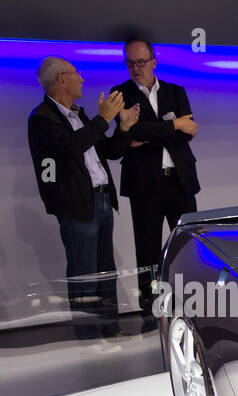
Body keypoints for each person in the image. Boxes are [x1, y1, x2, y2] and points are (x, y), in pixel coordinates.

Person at [28, 55, 139, 339]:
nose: (82, 79)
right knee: (84, 275)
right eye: (77, 74)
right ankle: (89, 336)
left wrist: (123, 127)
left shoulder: (80, 115)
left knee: (105, 272)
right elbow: (72, 146)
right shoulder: (42, 119)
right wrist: (103, 118)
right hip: (78, 206)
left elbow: (110, 151)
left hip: (101, 200)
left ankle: (110, 330)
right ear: (62, 79)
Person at [112, 39, 199, 327]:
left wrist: (146, 135)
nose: (135, 68)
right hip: (144, 184)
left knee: (188, 246)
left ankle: (191, 305)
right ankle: (152, 313)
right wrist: (173, 125)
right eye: (130, 63)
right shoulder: (120, 94)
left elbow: (189, 133)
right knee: (148, 251)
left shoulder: (175, 91)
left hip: (179, 181)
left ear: (153, 61)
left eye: (140, 62)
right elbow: (131, 132)